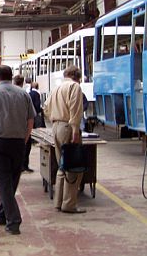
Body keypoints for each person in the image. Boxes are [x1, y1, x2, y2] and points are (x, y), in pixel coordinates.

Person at [0, 65, 35, 235]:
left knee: (4, 183)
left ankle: (14, 220)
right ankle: (3, 214)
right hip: (18, 143)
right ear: (11, 76)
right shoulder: (23, 94)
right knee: (11, 181)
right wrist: (24, 138)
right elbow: (31, 119)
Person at [43, 66, 85, 214]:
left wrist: (55, 120)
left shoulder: (56, 88)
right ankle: (69, 204)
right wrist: (75, 130)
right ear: (77, 76)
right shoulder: (75, 87)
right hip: (67, 127)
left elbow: (46, 108)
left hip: (56, 127)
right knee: (73, 167)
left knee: (62, 165)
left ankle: (58, 202)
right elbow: (75, 109)